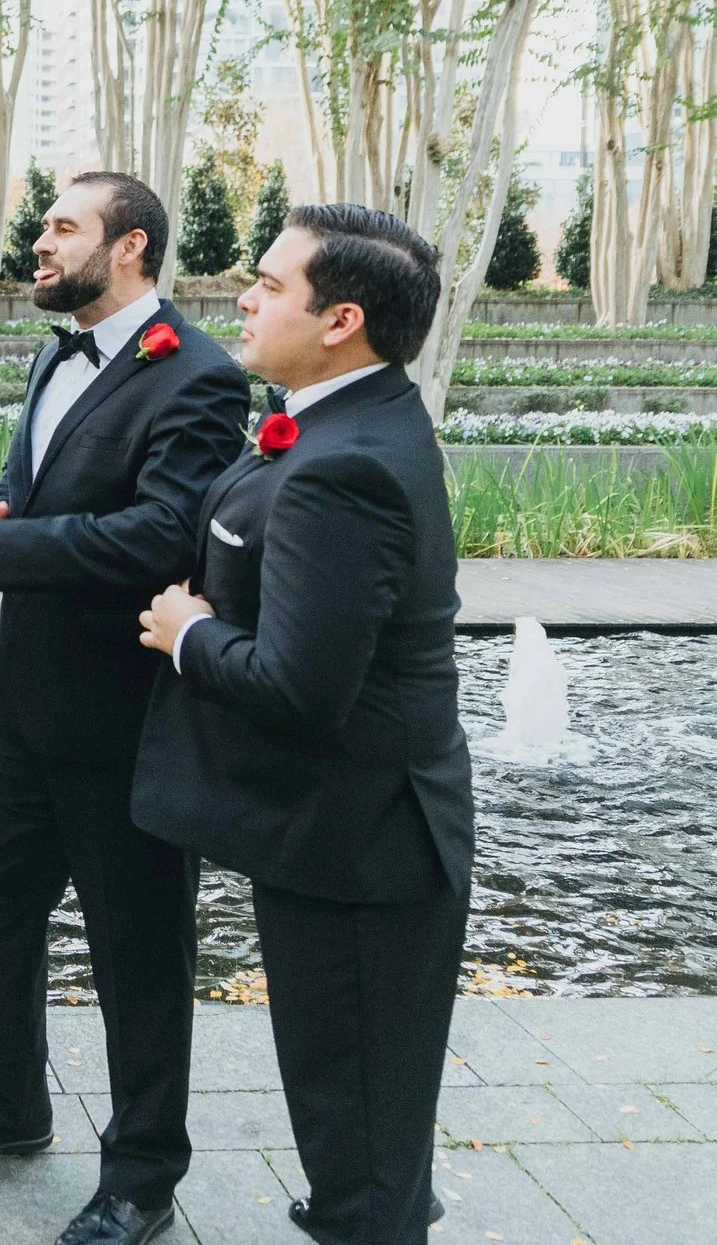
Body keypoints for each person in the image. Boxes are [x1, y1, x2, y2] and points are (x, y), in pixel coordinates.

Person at [0, 172, 248, 1245]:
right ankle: (12, 1102)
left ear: (130, 245)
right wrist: (6, 503)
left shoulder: (199, 374)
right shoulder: (54, 354)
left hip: (129, 720)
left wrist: (0, 544)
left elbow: (162, 533)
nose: (40, 242)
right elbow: (41, 479)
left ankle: (143, 1172)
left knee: (137, 954)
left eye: (63, 227)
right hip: (27, 709)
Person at [133, 203, 472, 1245]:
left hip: (363, 848)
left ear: (341, 321)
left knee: (357, 1119)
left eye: (270, 284)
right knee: (361, 1111)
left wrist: (188, 633)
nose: (244, 298)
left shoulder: (345, 464)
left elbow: (298, 687)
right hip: (352, 832)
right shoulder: (349, 419)